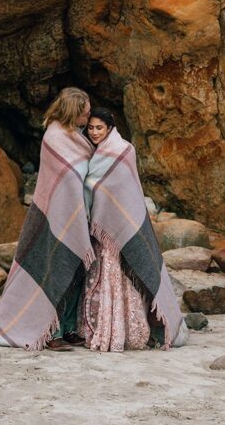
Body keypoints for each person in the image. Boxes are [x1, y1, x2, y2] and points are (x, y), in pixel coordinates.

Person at [0, 87, 93, 351]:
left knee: (77, 274)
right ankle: (52, 332)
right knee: (57, 272)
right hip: (55, 217)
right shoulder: (55, 137)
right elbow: (66, 177)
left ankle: (70, 327)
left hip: (78, 215)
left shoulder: (78, 137)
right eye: (85, 111)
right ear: (74, 111)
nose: (89, 114)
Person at [80, 108, 187, 351]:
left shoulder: (124, 150)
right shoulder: (90, 153)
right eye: (91, 128)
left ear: (109, 128)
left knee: (126, 276)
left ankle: (130, 329)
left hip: (119, 227)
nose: (95, 132)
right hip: (99, 233)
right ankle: (100, 327)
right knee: (102, 278)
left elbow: (126, 190)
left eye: (99, 128)